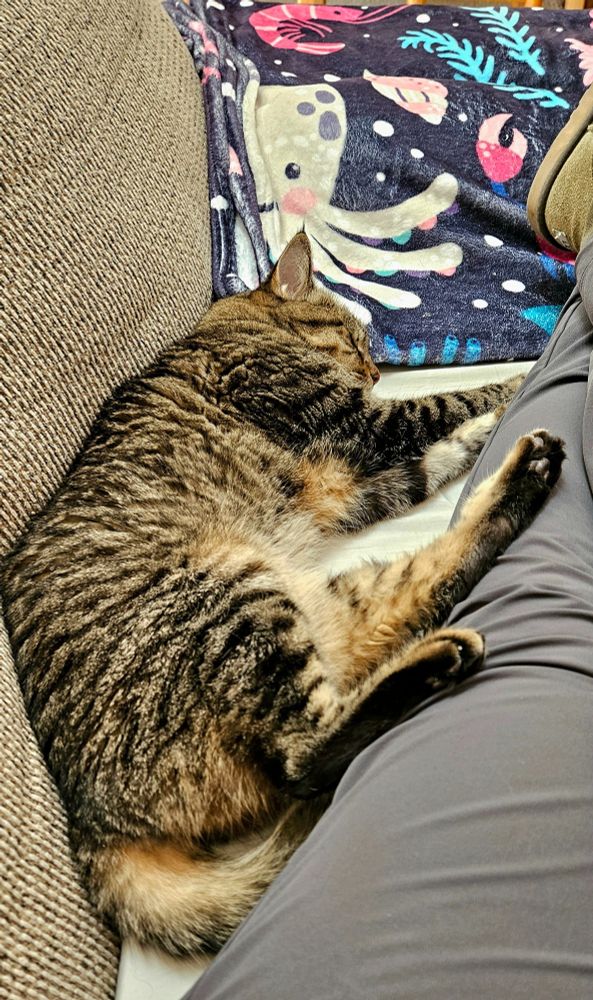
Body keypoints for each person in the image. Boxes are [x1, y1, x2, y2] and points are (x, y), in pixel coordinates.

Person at [185, 90, 593, 1000]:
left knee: (539, 554)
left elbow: (360, 479)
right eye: (352, 348)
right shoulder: (240, 352)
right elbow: (362, 432)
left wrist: (460, 443)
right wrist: (461, 420)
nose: (365, 368)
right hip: (186, 578)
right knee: (538, 528)